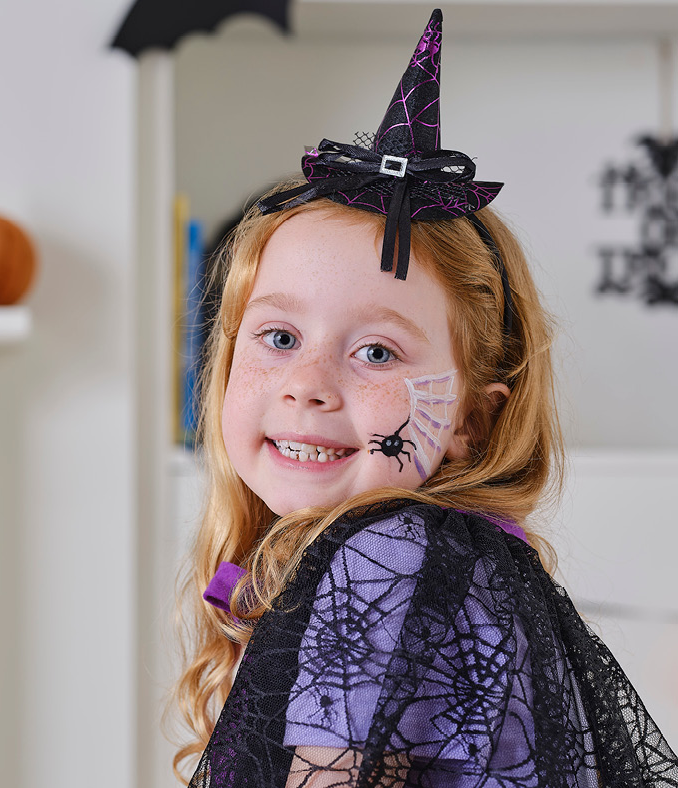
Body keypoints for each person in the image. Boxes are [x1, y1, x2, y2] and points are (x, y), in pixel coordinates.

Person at [172, 9, 678, 788]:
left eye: (375, 351)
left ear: (471, 422)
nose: (307, 384)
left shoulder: (388, 557)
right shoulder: (422, 551)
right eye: (276, 338)